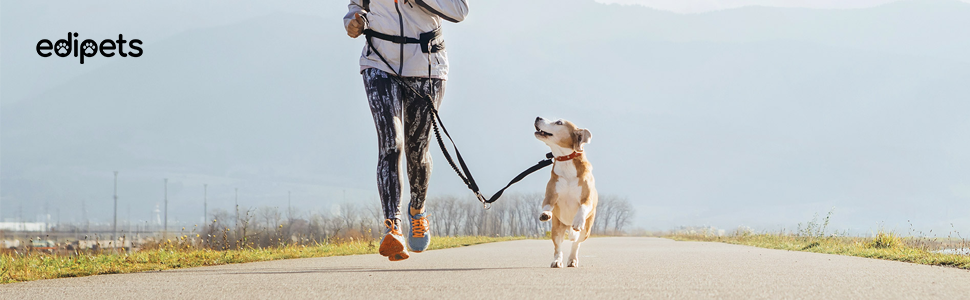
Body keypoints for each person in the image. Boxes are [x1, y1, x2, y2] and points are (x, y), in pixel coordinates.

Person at [344, 0, 468, 261]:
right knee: (392, 142)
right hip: (378, 62)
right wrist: (354, 21)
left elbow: (459, 10)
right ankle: (393, 227)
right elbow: (356, 7)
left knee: (417, 150)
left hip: (426, 65)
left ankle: (417, 209)